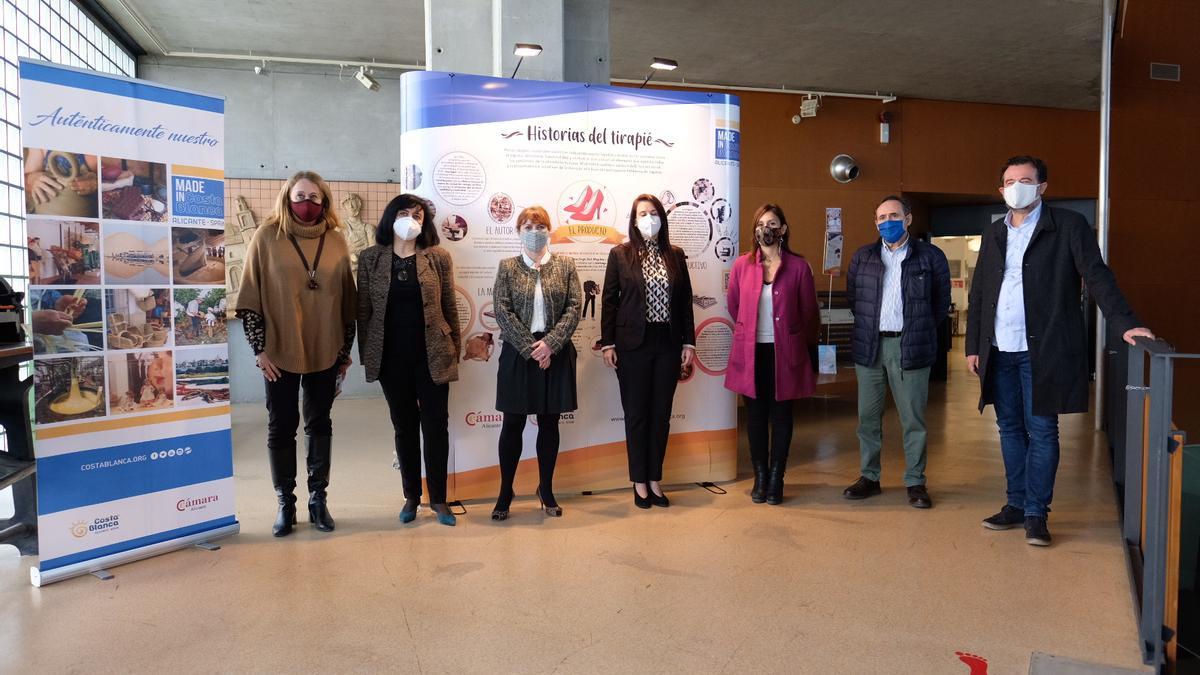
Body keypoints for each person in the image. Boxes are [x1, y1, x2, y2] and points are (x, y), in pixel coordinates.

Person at [967, 155, 1154, 546]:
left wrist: (1124, 323)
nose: (1015, 186)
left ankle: (1036, 512)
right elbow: (981, 290)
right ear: (1001, 189)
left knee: (1042, 430)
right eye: (1008, 180)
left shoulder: (1068, 225)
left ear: (1042, 187)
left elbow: (1097, 275)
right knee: (1009, 429)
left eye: (1024, 179)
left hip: (1045, 349)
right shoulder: (995, 232)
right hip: (999, 349)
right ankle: (1015, 504)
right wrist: (974, 346)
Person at [235, 171, 356, 537]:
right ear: (287, 197)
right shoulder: (266, 236)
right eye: (301, 195)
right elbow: (249, 299)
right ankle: (285, 502)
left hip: (326, 348)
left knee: (320, 424)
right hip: (279, 352)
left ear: (325, 201)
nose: (308, 203)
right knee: (281, 426)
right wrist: (260, 351)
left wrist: (344, 352)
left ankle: (318, 498)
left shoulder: (336, 240)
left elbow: (347, 302)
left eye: (315, 197)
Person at [357, 194, 461, 527]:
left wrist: (453, 349)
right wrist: (367, 355)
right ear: (391, 218)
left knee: (436, 426)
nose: (411, 219)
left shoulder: (438, 257)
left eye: (417, 214)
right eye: (403, 213)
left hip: (432, 353)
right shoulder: (371, 258)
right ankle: (412, 496)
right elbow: (363, 312)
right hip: (391, 357)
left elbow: (449, 307)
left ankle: (440, 499)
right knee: (404, 427)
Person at [843, 195, 951, 509]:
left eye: (892, 216)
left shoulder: (930, 257)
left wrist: (917, 328)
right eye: (880, 218)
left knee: (913, 419)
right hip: (870, 345)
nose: (886, 222)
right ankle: (869, 476)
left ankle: (916, 481)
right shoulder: (863, 257)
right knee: (868, 418)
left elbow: (939, 305)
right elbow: (855, 299)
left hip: (911, 345)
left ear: (907, 219)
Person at [601, 194, 696, 508]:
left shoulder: (676, 254)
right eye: (643, 213)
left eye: (654, 213)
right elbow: (610, 302)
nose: (649, 218)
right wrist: (609, 343)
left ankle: (655, 477)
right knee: (637, 415)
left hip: (667, 344)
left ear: (662, 218)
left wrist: (688, 342)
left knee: (661, 415)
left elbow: (684, 302)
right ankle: (639, 481)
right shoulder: (620, 254)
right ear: (633, 218)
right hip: (632, 346)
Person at [490, 206, 581, 520]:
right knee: (512, 424)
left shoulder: (566, 265)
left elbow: (574, 307)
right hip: (519, 354)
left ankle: (546, 487)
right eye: (527, 225)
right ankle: (505, 490)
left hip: (554, 353)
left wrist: (551, 345)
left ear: (549, 230)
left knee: (549, 423)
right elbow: (501, 310)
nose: (534, 230)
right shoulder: (508, 267)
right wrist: (532, 349)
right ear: (518, 231)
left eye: (540, 225)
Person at [725, 204, 819, 505]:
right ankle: (760, 477)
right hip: (751, 351)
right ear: (755, 229)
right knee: (754, 416)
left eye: (773, 223)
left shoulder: (799, 267)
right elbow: (734, 305)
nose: (767, 228)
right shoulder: (742, 266)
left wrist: (795, 342)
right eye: (762, 223)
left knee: (781, 416)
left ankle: (777, 478)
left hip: (785, 352)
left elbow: (808, 313)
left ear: (783, 229)